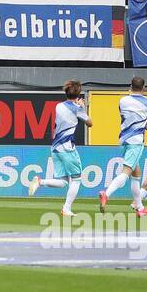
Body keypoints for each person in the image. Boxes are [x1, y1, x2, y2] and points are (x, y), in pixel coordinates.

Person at [27, 80, 93, 217]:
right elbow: (90, 123)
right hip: (67, 148)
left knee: (63, 182)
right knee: (77, 179)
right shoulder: (77, 109)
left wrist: (78, 106)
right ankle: (66, 208)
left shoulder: (59, 106)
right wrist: (82, 107)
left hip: (55, 147)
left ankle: (40, 181)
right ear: (79, 94)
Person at [98, 77, 147, 215]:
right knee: (126, 173)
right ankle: (107, 193)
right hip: (136, 141)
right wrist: (145, 124)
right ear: (144, 87)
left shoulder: (123, 101)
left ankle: (139, 208)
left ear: (131, 86)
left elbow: (126, 116)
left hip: (123, 140)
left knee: (136, 174)